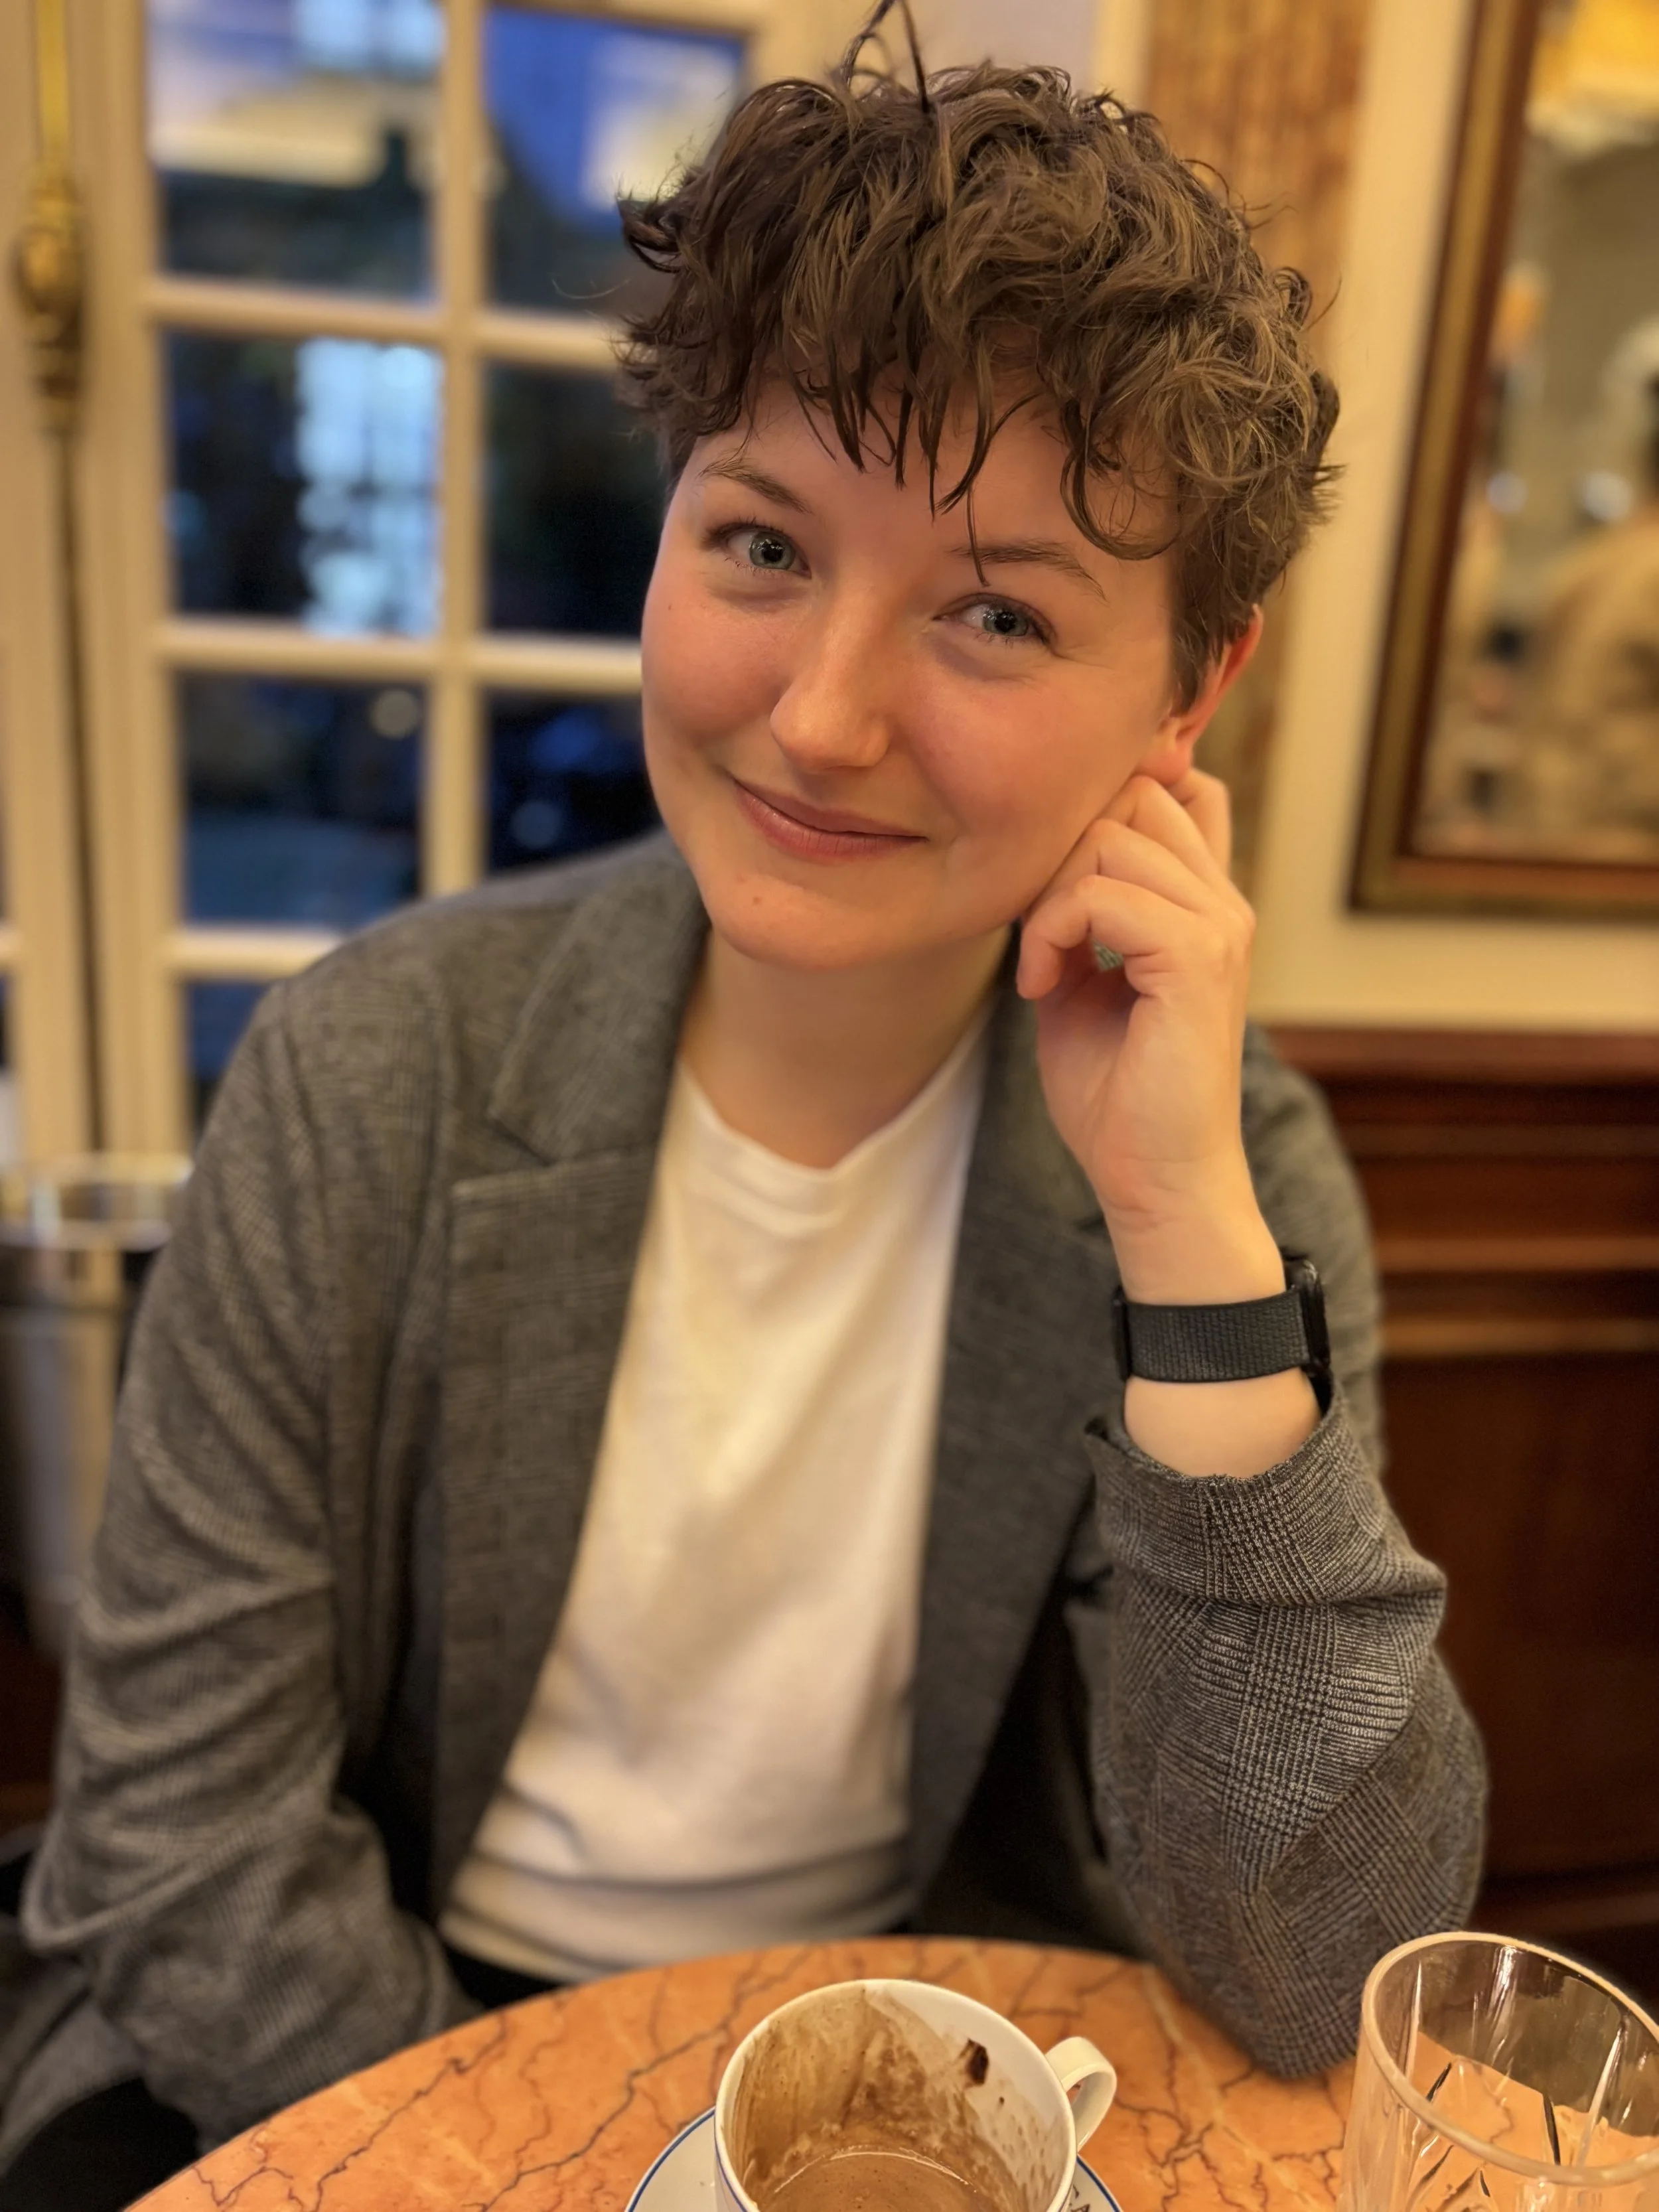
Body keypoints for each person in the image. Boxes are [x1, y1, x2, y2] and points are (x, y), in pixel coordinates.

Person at [0, 15, 1484, 2202]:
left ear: (1191, 686)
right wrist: (594, 2178)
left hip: (905, 2090)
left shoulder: (1227, 1176)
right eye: (765, 547)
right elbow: (178, 1839)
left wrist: (1176, 1230)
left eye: (992, 608)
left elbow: (1321, 1955)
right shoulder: (377, 1067)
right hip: (358, 2043)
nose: (818, 716)